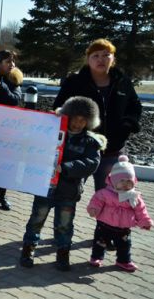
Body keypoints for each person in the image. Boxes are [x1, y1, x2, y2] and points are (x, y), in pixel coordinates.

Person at [20, 96, 106, 271]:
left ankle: (63, 254)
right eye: (74, 118)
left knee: (64, 225)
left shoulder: (90, 141)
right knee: (36, 220)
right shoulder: (51, 131)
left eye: (83, 120)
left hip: (69, 192)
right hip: (45, 188)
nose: (77, 123)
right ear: (67, 116)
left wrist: (65, 167)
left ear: (89, 121)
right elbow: (33, 143)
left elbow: (92, 164)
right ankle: (28, 249)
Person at [53, 39, 142, 191]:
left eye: (106, 55)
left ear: (113, 58)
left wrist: (127, 125)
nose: (101, 59)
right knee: (68, 195)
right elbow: (59, 108)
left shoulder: (123, 82)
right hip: (78, 149)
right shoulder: (74, 82)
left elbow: (135, 106)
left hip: (113, 150)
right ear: (88, 59)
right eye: (96, 55)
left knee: (111, 198)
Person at [86, 155, 153, 272]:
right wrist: (93, 209)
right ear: (113, 180)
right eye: (122, 181)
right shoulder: (105, 193)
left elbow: (141, 210)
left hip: (123, 228)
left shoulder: (133, 196)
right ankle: (96, 257)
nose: (125, 184)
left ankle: (123, 261)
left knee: (124, 245)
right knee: (100, 243)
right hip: (104, 225)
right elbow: (96, 201)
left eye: (129, 181)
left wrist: (145, 222)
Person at [0, 50, 23, 210]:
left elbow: (14, 100)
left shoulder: (13, 79)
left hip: (5, 130)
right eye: (8, 62)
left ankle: (1, 196)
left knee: (3, 164)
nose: (12, 65)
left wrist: (0, 86)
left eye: (13, 62)